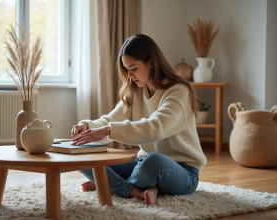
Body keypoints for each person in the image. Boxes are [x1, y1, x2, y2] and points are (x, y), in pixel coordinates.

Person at [71, 34, 207, 206]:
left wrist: (107, 131)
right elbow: (110, 119)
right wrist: (86, 126)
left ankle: (111, 184)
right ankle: (139, 189)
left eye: (133, 68)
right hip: (142, 166)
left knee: (153, 161)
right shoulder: (135, 91)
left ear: (151, 62)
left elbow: (156, 128)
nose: (129, 75)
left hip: (183, 172)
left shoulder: (178, 91)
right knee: (82, 155)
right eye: (126, 68)